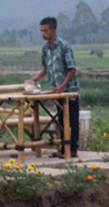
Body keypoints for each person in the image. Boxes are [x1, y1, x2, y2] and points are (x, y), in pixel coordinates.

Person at [31, 17, 81, 157]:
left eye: (45, 31)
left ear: (53, 30)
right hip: (56, 91)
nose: (43, 34)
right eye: (41, 31)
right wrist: (36, 78)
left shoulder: (64, 46)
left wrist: (63, 86)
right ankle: (62, 148)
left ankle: (72, 149)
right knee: (60, 121)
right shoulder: (45, 48)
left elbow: (72, 69)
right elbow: (45, 68)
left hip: (69, 91)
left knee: (72, 121)